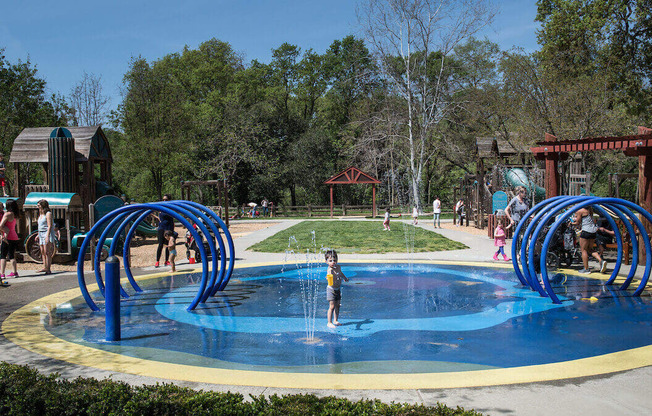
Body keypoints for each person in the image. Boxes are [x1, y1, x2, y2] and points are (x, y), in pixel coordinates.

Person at [572, 206, 607, 274]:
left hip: (586, 231)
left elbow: (577, 223)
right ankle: (601, 261)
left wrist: (571, 223)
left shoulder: (580, 211)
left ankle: (586, 269)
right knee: (589, 249)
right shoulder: (590, 210)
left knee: (583, 250)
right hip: (593, 231)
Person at [324, 249, 349, 328]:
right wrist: (328, 277)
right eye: (330, 260)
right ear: (326, 262)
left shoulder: (338, 267)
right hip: (331, 290)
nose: (333, 262)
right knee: (331, 306)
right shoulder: (330, 270)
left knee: (337, 305)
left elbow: (340, 273)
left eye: (334, 260)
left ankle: (335, 320)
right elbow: (329, 276)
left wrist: (344, 277)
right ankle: (329, 322)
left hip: (337, 289)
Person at [0, 199, 20, 279]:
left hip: (7, 237)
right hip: (14, 236)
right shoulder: (15, 215)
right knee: (12, 255)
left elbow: (1, 225)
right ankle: (15, 272)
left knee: (3, 255)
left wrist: (4, 231)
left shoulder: (7, 214)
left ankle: (2, 273)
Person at [153, 194, 174, 267]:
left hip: (168, 228)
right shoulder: (161, 208)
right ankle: (157, 261)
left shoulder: (171, 208)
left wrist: (172, 230)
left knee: (168, 245)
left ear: (169, 200)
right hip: (161, 228)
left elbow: (172, 219)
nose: (164, 201)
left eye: (166, 199)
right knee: (160, 244)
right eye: (163, 199)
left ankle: (166, 260)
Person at [37, 199, 55, 274]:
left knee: (47, 251)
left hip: (46, 233)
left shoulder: (48, 214)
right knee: (42, 251)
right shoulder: (40, 214)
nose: (38, 206)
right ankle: (45, 266)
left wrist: (47, 236)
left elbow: (49, 225)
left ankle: (48, 268)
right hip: (41, 233)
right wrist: (38, 234)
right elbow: (40, 225)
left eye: (39, 205)